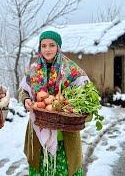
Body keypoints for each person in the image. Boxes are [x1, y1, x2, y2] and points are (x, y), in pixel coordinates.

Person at [19, 30, 90, 176]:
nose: (47, 49)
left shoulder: (71, 69)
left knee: (64, 169)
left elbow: (86, 91)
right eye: (43, 45)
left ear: (58, 46)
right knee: (41, 167)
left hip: (65, 130)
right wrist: (25, 99)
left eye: (51, 45)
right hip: (38, 125)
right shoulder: (34, 69)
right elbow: (23, 90)